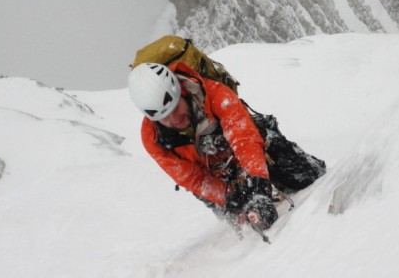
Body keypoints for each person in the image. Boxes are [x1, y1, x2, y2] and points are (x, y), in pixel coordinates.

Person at [128, 61, 325, 231]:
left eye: (175, 108)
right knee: (244, 224)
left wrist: (257, 184)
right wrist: (230, 197)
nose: (175, 119)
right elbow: (194, 179)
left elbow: (244, 138)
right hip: (215, 176)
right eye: (164, 117)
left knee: (308, 178)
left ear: (182, 91)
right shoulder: (152, 139)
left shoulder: (215, 94)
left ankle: (307, 168)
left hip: (247, 153)